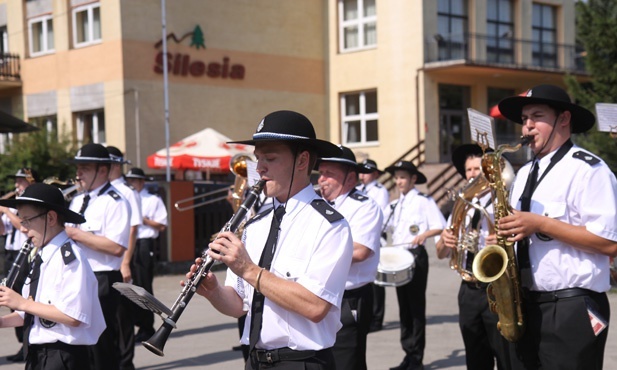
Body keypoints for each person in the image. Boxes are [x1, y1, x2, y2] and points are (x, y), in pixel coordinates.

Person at [187, 110, 353, 369]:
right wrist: (214, 292)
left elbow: (316, 307)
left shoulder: (330, 225)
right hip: (255, 360)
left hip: (303, 363)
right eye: (258, 158)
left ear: (302, 161)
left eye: (270, 158)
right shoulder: (255, 223)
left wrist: (248, 269)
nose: (259, 167)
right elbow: (239, 305)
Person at [495, 84, 617, 370]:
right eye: (524, 119)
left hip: (572, 308)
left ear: (564, 119)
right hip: (524, 304)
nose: (527, 127)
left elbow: (611, 243)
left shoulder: (589, 170)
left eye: (537, 116)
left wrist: (540, 223)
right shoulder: (522, 174)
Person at [0, 183, 105, 369]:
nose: (23, 229)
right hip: (38, 355)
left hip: (63, 357)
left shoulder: (70, 259)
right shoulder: (43, 255)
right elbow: (32, 312)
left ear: (50, 218)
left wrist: (21, 303)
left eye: (27, 220)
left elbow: (73, 315)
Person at [435, 144, 509, 370]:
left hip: (497, 288)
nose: (473, 174)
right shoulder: (462, 205)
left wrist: (502, 242)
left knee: (505, 354)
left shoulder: (503, 201)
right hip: (468, 288)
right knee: (475, 356)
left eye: (478, 169)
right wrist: (445, 242)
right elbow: (440, 253)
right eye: (468, 170)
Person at [65, 143, 130, 370]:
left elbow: (115, 247)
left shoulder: (115, 201)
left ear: (102, 171)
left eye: (85, 168)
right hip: (75, 277)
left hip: (102, 278)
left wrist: (74, 233)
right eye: (78, 168)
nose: (78, 174)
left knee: (101, 347)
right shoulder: (77, 200)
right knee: (78, 345)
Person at [317, 145, 383, 370]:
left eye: (330, 174)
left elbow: (361, 250)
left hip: (348, 298)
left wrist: (315, 254)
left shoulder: (364, 207)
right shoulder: (316, 205)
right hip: (316, 294)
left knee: (347, 363)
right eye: (321, 173)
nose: (322, 179)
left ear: (350, 178)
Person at [383, 161, 446, 370]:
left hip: (416, 257)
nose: (399, 181)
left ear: (413, 179)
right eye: (397, 177)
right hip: (399, 257)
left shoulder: (423, 201)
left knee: (416, 308)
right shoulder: (395, 204)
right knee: (404, 308)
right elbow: (383, 225)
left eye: (403, 177)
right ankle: (407, 354)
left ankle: (416, 358)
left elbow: (439, 226)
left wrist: (423, 235)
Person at [107, 146, 142, 370]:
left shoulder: (127, 192)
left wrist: (125, 262)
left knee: (122, 317)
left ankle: (125, 362)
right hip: (103, 263)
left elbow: (132, 229)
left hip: (120, 260)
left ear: (116, 166)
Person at [124, 167, 168, 343]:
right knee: (130, 286)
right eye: (129, 180)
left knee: (143, 286)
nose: (131, 184)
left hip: (144, 243)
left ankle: (147, 326)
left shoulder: (152, 199)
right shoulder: (126, 197)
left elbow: (162, 225)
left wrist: (143, 219)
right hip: (129, 242)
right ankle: (136, 323)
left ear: (142, 182)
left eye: (134, 180)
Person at [0, 167, 39, 362]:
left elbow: (23, 228)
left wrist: (6, 209)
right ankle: (21, 343)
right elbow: (2, 231)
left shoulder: (28, 208)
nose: (17, 185)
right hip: (11, 253)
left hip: (25, 253)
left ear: (30, 182)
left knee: (23, 298)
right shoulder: (15, 207)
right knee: (10, 300)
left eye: (21, 181)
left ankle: (27, 344)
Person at [355, 159, 390, 333]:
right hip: (361, 237)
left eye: (367, 172)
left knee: (377, 282)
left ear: (376, 174)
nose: (363, 175)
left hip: (375, 237)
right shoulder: (359, 190)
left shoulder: (380, 190)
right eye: (362, 172)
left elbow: (381, 214)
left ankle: (377, 318)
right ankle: (370, 317)